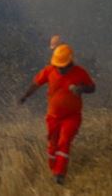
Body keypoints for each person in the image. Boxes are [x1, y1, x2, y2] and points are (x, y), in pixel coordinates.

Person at [19, 44, 95, 185]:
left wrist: (81, 89)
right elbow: (36, 84)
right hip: (53, 117)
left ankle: (59, 174)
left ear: (70, 62)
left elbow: (92, 88)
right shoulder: (49, 71)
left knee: (64, 141)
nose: (60, 68)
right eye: (58, 66)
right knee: (53, 145)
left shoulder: (80, 72)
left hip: (72, 116)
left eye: (63, 66)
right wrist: (25, 96)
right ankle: (54, 170)